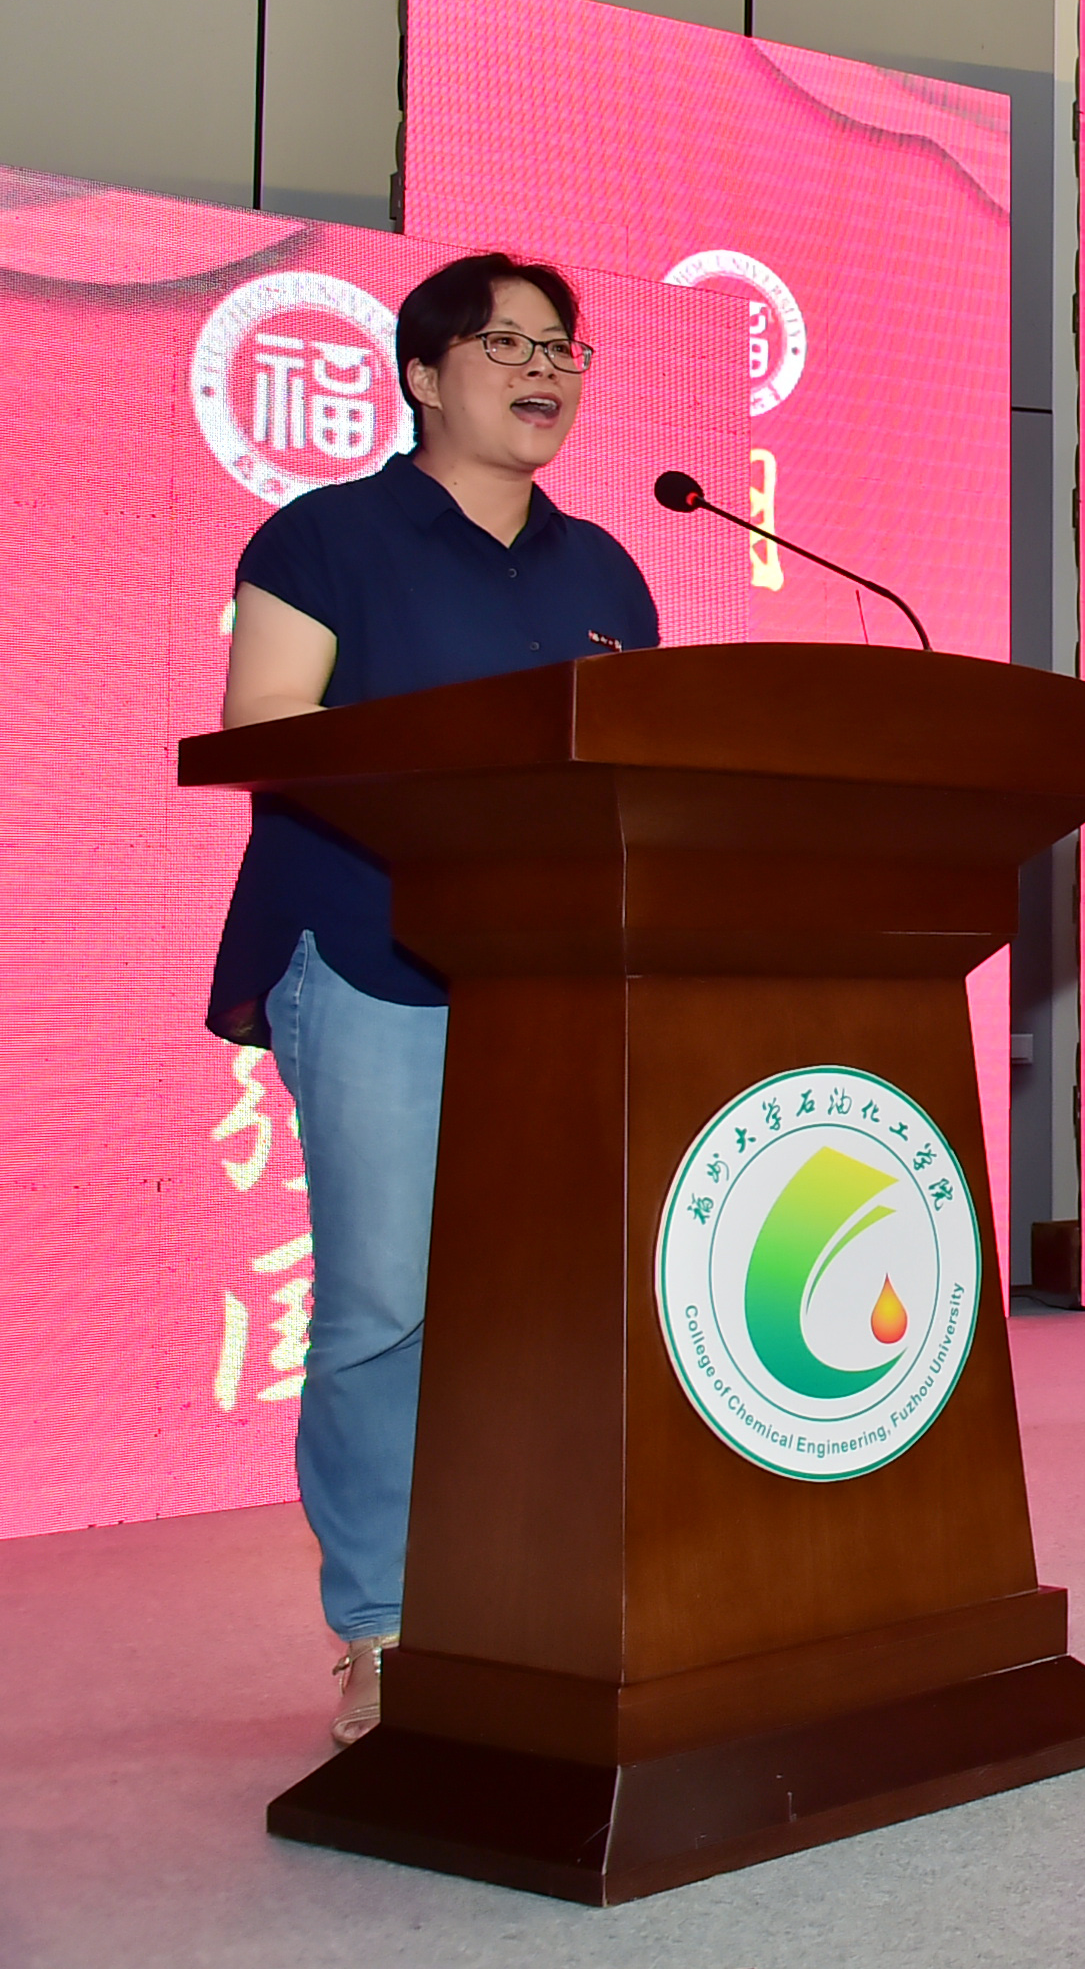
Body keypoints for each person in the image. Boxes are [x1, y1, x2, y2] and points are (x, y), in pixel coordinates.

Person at [205, 253, 655, 1749]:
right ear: (419, 374)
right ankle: (384, 1624)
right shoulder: (325, 537)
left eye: (563, 348)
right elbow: (266, 726)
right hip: (370, 945)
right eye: (506, 344)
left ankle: (532, 1598)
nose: (545, 371)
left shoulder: (608, 569)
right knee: (388, 1302)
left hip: (557, 976)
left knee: (547, 1301)